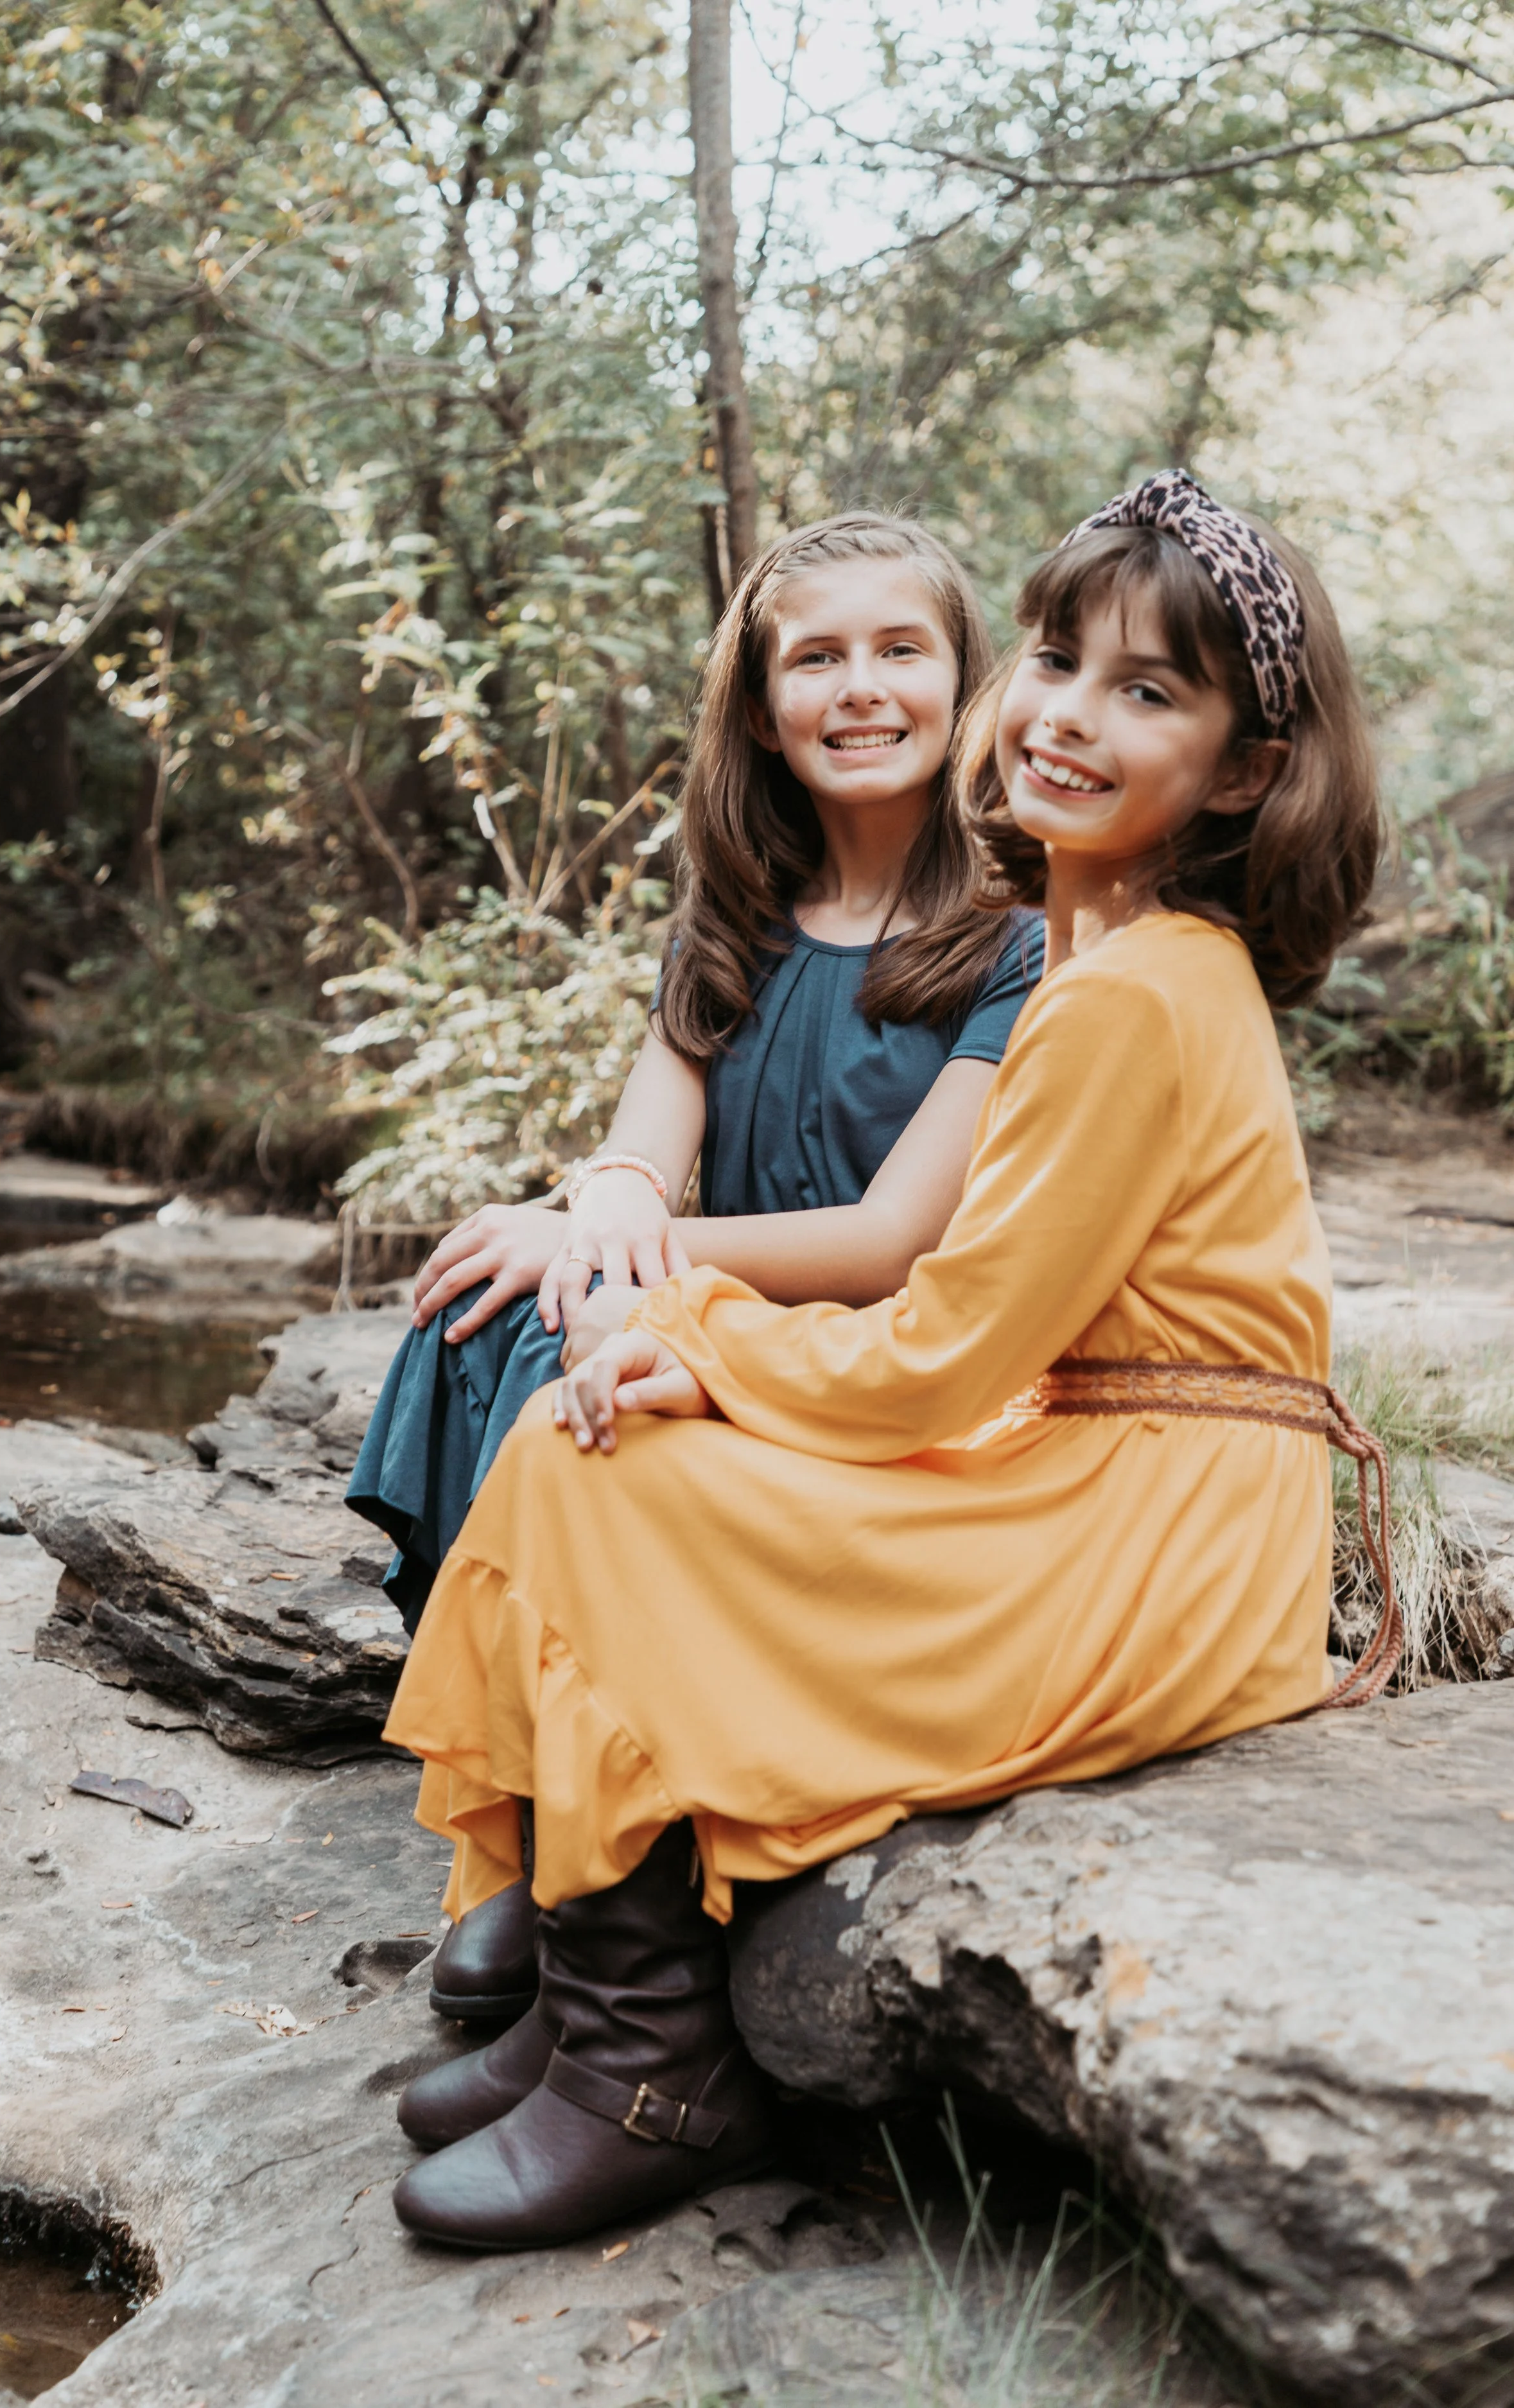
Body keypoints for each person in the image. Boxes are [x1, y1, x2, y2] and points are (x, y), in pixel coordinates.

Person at [379, 469, 1392, 2252]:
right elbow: (984, 1327)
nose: (1069, 716)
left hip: (1161, 1539)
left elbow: (934, 1348)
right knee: (576, 1424)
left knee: (600, 1459)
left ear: (1241, 767)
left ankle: (652, 2057)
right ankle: (594, 1985)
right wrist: (682, 1321)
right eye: (1062, 660)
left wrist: (699, 1339)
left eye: (1148, 691)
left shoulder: (1129, 989)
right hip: (1117, 1466)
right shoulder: (1116, 956)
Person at [345, 514, 1044, 2020]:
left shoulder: (1017, 939)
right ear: (762, 707)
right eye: (815, 658)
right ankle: (536, 1828)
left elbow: (892, 1243)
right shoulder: (731, 917)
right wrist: (593, 1215)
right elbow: (635, 1156)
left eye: (896, 650)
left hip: (883, 1358)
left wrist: (631, 1249)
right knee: (491, 1319)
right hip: (724, 1307)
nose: (859, 689)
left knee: (588, 1317)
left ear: (960, 679)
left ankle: (604, 1871)